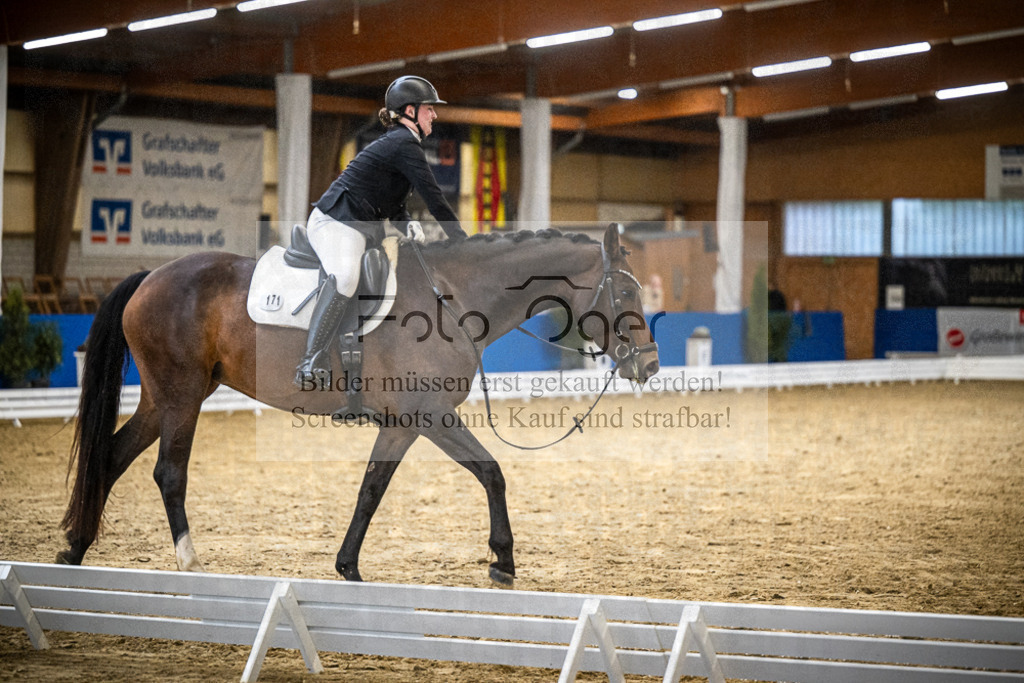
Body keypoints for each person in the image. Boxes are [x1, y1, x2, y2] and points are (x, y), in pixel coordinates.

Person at [296, 75, 468, 387]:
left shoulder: (402, 145)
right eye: (430, 108)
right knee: (346, 276)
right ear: (410, 111)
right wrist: (462, 242)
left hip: (360, 226)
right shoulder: (403, 144)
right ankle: (311, 359)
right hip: (335, 221)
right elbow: (436, 200)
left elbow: (392, 204)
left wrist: (406, 223)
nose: (435, 114)